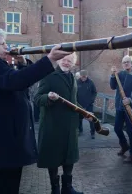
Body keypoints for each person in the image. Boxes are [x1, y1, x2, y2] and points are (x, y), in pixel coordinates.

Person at [0, 27, 71, 194]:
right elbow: (16, 82)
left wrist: (23, 64)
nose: (6, 47)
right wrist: (49, 60)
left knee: (9, 187)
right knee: (3, 188)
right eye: (2, 44)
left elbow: (18, 87)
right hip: (1, 143)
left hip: (6, 142)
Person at [34, 53, 88, 194]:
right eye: (64, 60)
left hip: (70, 127)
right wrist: (49, 97)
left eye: (70, 61)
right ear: (59, 60)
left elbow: (73, 101)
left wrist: (85, 113)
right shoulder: (49, 76)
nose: (66, 63)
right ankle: (55, 189)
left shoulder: (72, 78)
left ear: (73, 64)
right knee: (53, 158)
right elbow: (37, 98)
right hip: (53, 126)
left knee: (69, 157)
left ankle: (67, 188)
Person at [110, 55, 132, 164]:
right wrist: (112, 76)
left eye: (128, 62)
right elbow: (113, 86)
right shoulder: (120, 74)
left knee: (130, 132)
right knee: (117, 128)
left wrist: (131, 99)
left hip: (130, 108)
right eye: (124, 62)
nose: (126, 64)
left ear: (131, 63)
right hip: (120, 107)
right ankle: (125, 146)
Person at [77, 70, 97, 139]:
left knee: (91, 119)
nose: (83, 78)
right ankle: (80, 130)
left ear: (87, 76)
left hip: (89, 105)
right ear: (80, 76)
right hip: (79, 105)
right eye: (82, 77)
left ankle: (92, 132)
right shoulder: (77, 82)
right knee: (79, 119)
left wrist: (92, 100)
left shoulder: (91, 82)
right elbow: (74, 93)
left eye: (85, 77)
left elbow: (94, 92)